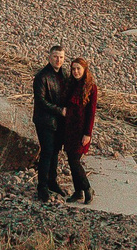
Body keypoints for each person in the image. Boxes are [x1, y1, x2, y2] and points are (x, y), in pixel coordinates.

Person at [32, 44, 73, 201]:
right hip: (44, 120)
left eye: (61, 57)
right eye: (56, 57)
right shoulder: (42, 77)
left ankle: (52, 182)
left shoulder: (64, 75)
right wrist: (60, 110)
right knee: (47, 152)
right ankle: (42, 186)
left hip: (58, 121)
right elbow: (40, 101)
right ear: (49, 57)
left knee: (55, 152)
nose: (58, 60)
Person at [57, 56, 99, 206]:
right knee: (71, 160)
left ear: (84, 70)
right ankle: (77, 191)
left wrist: (87, 133)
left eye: (78, 69)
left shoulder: (91, 87)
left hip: (81, 131)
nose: (75, 71)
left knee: (75, 161)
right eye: (73, 69)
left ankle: (87, 189)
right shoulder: (71, 84)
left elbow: (91, 113)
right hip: (69, 129)